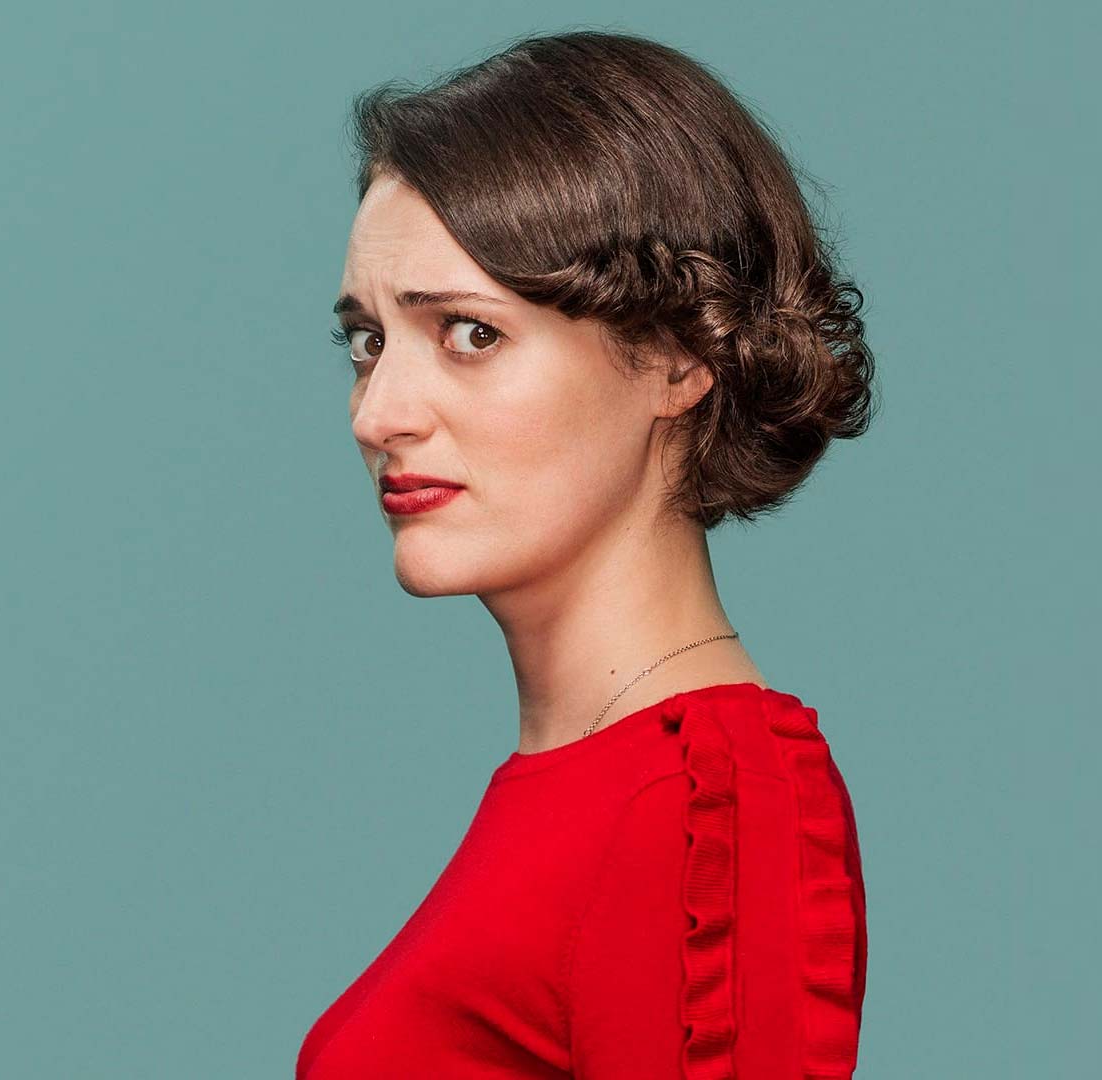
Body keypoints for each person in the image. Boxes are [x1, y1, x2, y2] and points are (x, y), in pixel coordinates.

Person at [298, 29, 880, 1079]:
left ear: (676, 358)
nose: (377, 415)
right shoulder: (590, 784)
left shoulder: (707, 803)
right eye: (368, 342)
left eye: (470, 333)